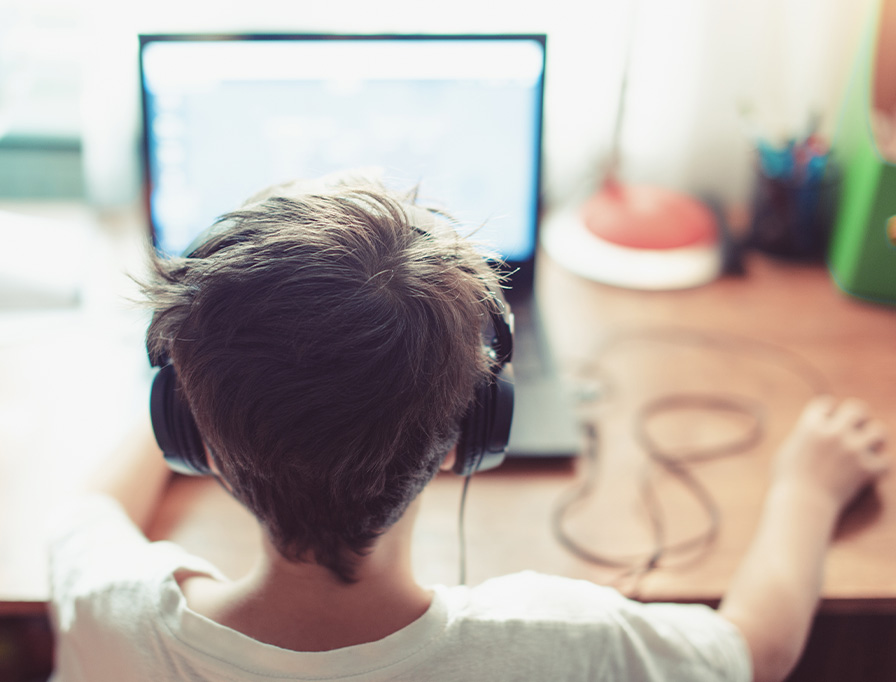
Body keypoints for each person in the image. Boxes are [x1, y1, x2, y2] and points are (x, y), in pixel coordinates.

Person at [48, 176, 890, 682]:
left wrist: (209, 388)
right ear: (473, 432)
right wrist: (807, 491)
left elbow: (88, 507)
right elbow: (756, 651)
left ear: (188, 439)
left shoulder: (111, 610)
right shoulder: (559, 643)